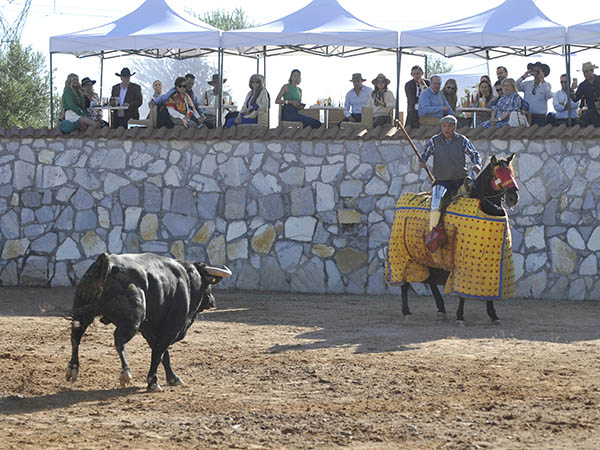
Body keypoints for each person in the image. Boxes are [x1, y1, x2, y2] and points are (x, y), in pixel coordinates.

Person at [419, 115, 481, 252]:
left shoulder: (462, 140)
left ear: (455, 127)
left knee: (474, 198)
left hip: (460, 180)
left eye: (449, 126)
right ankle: (433, 233)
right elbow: (424, 154)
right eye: (444, 126)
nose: (446, 129)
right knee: (435, 202)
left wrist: (477, 165)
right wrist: (422, 161)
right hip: (442, 180)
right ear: (441, 127)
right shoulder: (434, 141)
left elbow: (475, 154)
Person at [516, 62, 552, 126]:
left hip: (540, 118)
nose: (536, 72)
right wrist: (523, 77)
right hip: (527, 116)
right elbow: (515, 86)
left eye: (538, 70)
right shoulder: (527, 84)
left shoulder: (546, 85)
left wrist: (542, 80)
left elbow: (549, 95)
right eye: (534, 70)